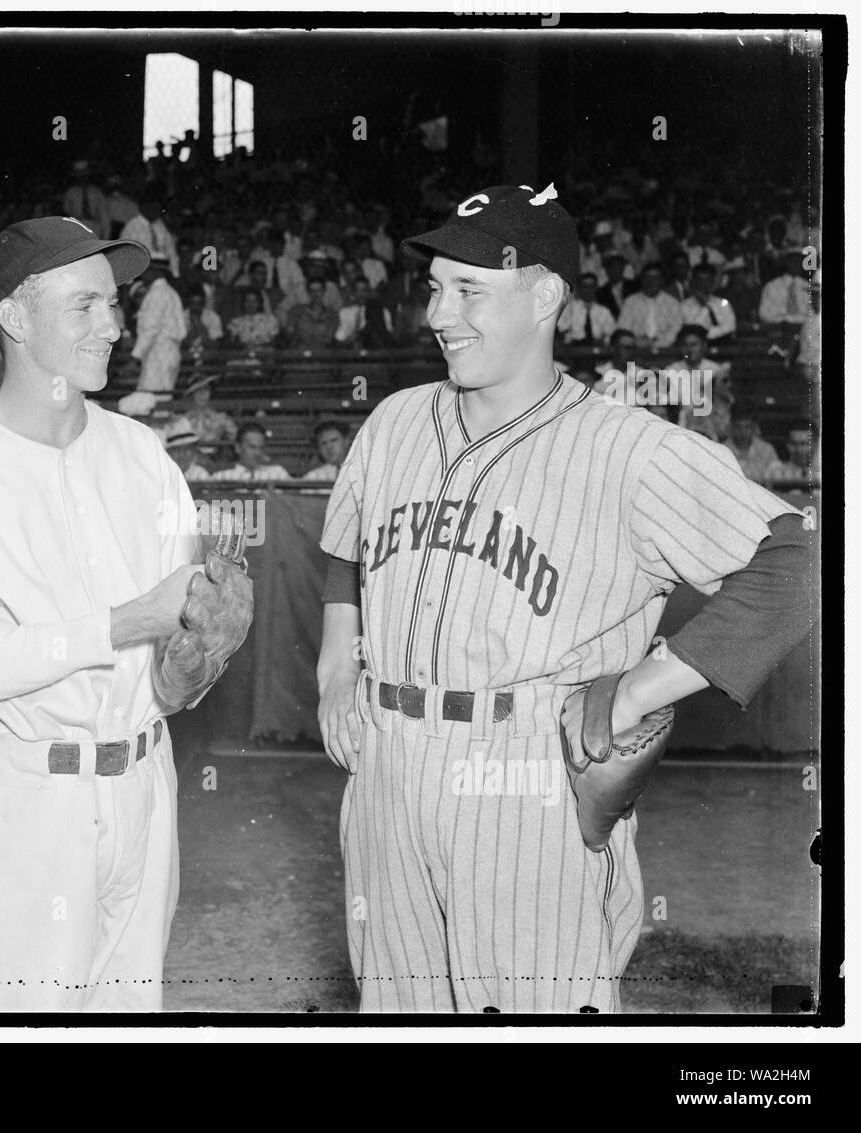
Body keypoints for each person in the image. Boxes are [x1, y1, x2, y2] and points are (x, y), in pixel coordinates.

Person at [315, 183, 816, 1013]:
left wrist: (641, 686)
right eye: (436, 287)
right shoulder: (395, 420)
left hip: (528, 771)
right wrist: (339, 669)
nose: (440, 312)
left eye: (469, 289)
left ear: (545, 295)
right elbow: (344, 553)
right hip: (386, 767)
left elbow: (796, 561)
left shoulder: (632, 450)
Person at [0, 215, 206, 1011]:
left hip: (144, 790)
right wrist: (127, 622)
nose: (115, 322)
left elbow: (176, 665)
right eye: (86, 305)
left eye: (114, 302)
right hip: (26, 803)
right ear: (16, 319)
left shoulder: (144, 455)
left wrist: (201, 649)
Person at [129, 255, 187, 392]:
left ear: (152, 270)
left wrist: (135, 357)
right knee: (162, 397)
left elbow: (151, 329)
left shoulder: (157, 293)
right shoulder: (170, 292)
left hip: (159, 353)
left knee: (152, 398)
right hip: (170, 351)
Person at [615, 263, 684, 350]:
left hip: (665, 353)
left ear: (662, 281)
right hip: (635, 352)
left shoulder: (672, 303)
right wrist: (636, 342)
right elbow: (623, 330)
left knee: (674, 362)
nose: (650, 282)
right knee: (628, 363)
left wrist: (655, 343)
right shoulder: (630, 302)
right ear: (641, 280)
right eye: (647, 278)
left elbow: (676, 331)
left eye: (655, 278)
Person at [211, 423, 290, 481]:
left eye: (261, 448)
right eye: (252, 447)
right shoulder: (221, 477)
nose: (257, 453)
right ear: (238, 447)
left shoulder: (278, 473)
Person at [680, 263, 737, 342]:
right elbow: (691, 330)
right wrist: (704, 306)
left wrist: (706, 334)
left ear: (712, 282)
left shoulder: (723, 303)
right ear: (693, 281)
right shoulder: (684, 305)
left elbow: (731, 327)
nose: (703, 284)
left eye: (707, 280)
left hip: (720, 345)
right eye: (700, 280)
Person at [556, 272, 616, 346]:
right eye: (585, 286)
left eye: (591, 286)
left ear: (596, 288)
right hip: (573, 349)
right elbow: (560, 329)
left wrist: (604, 341)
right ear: (580, 288)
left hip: (597, 351)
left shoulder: (604, 311)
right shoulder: (569, 308)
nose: (588, 290)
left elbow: (612, 334)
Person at [723, 410, 780, 485]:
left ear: (754, 428)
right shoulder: (723, 449)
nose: (743, 432)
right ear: (732, 427)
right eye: (738, 427)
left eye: (747, 427)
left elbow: (777, 479)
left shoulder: (766, 449)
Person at [182, 373, 237, 449]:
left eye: (205, 389)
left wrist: (223, 438)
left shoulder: (221, 418)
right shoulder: (183, 420)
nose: (202, 394)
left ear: (210, 392)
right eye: (198, 390)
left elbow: (235, 436)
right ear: (192, 394)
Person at [335, 278, 394, 348]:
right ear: (353, 293)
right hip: (351, 353)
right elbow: (340, 338)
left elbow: (388, 336)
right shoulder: (344, 313)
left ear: (370, 291)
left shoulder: (384, 312)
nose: (361, 295)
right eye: (358, 291)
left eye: (364, 291)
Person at [763, 419, 821, 488]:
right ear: (787, 444)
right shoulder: (773, 471)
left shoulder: (819, 474)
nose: (799, 450)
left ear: (815, 444)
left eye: (804, 444)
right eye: (794, 444)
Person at [287, 278, 341, 349]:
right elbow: (290, 335)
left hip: (323, 356)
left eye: (319, 290)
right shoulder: (297, 311)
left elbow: (328, 340)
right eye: (312, 291)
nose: (316, 294)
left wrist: (319, 320)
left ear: (324, 291)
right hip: (299, 355)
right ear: (308, 292)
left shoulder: (332, 315)